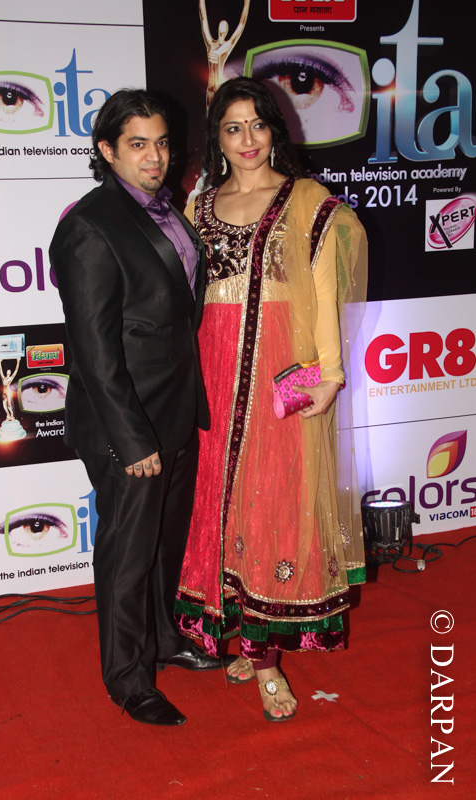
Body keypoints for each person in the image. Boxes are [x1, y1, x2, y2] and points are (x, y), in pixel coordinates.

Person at [175, 77, 368, 722]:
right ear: (217, 138)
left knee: (276, 498)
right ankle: (240, 632)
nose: (248, 139)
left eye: (258, 124)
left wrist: (330, 375)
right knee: (222, 500)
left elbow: (325, 292)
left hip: (280, 367)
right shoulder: (200, 204)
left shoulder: (306, 200)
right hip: (211, 367)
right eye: (233, 127)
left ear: (274, 130)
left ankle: (264, 659)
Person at [49, 89, 231, 728]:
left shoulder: (165, 209)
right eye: (137, 145)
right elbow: (94, 352)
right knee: (128, 552)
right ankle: (127, 679)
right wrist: (131, 440)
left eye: (161, 143)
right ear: (107, 150)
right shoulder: (89, 227)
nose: (155, 157)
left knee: (165, 542)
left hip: (174, 408)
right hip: (125, 425)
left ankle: (163, 639)